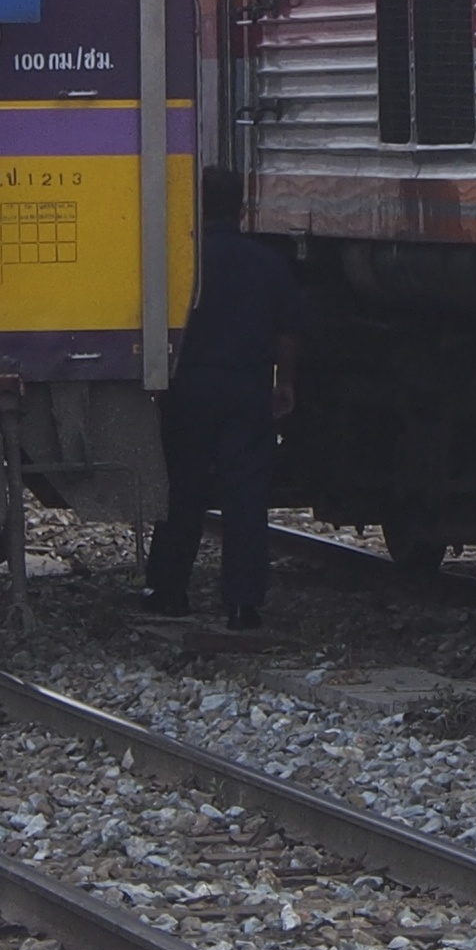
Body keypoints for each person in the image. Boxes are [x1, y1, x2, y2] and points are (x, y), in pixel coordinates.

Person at [143, 167, 303, 628]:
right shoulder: (266, 262)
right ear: (241, 207)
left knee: (183, 489)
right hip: (247, 387)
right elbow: (289, 330)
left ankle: (170, 591)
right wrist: (284, 382)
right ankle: (242, 602)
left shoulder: (181, 262)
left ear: (195, 205)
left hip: (188, 386)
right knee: (247, 495)